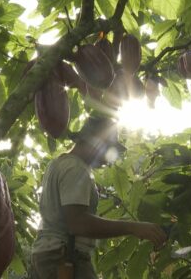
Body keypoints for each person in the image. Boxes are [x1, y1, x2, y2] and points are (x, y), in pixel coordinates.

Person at [30, 116, 167, 279]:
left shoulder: (58, 164)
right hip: (64, 257)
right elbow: (78, 223)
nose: (108, 159)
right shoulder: (76, 168)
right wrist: (133, 227)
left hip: (45, 255)